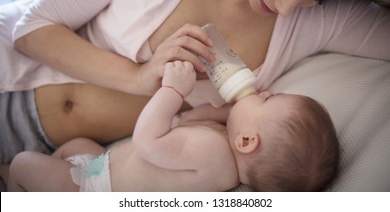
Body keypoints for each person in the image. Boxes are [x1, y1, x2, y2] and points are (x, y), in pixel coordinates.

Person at [0, 0, 389, 166]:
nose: (287, 8)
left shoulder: (325, 20)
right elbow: (31, 29)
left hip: (57, 156)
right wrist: (137, 77)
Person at [0, 61, 338, 192]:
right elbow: (185, 126)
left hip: (92, 190)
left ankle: (12, 182)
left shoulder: (212, 153)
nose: (261, 92)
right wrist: (223, 115)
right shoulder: (224, 162)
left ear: (248, 141)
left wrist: (172, 91)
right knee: (76, 145)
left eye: (266, 99)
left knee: (24, 162)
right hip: (100, 165)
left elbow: (148, 140)